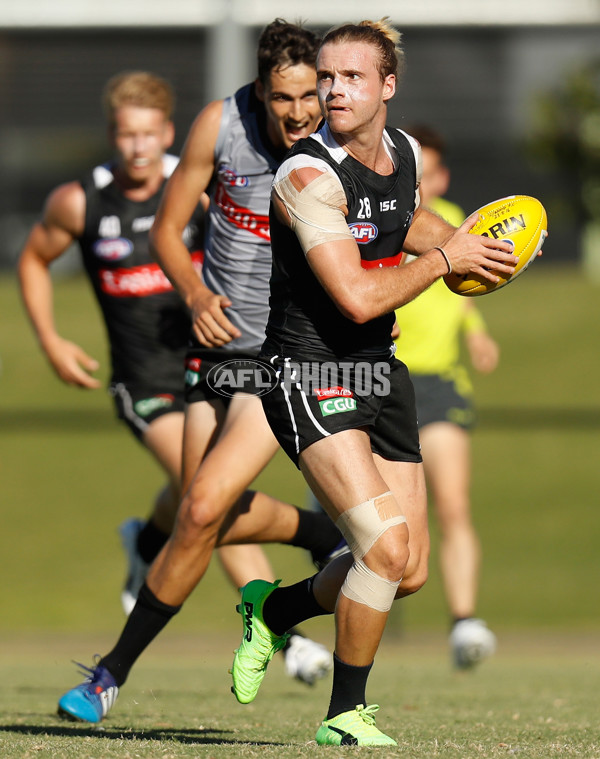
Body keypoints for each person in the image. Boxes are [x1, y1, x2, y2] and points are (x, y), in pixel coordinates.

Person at [229, 19, 518, 746]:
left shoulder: (407, 153)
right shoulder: (304, 175)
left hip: (380, 372)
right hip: (309, 371)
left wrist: (472, 245)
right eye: (326, 77)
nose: (332, 91)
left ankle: (274, 610)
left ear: (388, 86)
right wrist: (448, 262)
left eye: (351, 77)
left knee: (406, 568)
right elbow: (356, 296)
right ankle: (343, 714)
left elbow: (409, 218)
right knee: (382, 548)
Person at [55, 21, 343, 724]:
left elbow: (396, 221)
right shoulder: (220, 123)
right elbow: (165, 229)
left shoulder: (337, 145)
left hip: (280, 358)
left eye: (311, 94)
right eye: (284, 96)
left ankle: (107, 676)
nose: (299, 111)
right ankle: (313, 534)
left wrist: (456, 247)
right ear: (260, 89)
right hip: (209, 351)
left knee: (208, 502)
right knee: (194, 517)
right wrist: (192, 291)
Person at [393, 124, 498, 669]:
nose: (422, 182)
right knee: (382, 522)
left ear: (442, 176)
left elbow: (466, 289)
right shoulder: (380, 217)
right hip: (381, 378)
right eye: (415, 172)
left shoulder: (458, 224)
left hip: (437, 384)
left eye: (429, 172)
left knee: (452, 504)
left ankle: (464, 621)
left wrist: (477, 331)